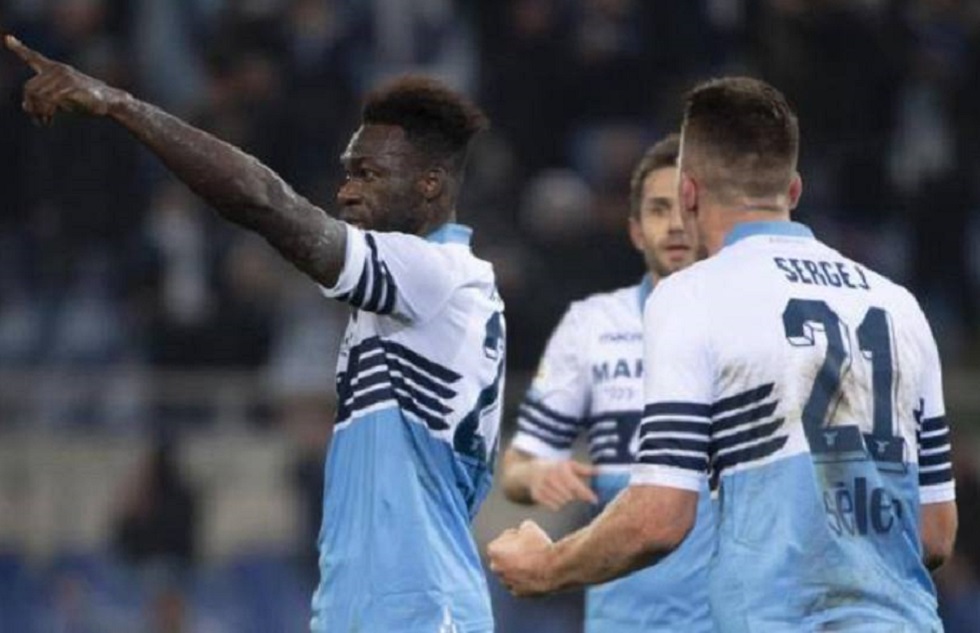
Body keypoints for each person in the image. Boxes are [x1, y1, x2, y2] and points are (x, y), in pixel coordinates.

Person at [5, 35, 505, 633]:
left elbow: (266, 204)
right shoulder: (412, 297)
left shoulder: (439, 276)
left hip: (418, 612)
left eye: (369, 174)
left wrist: (121, 105)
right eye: (348, 172)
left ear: (430, 184)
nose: (347, 191)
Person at [487, 76, 958, 632]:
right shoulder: (899, 305)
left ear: (688, 193)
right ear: (793, 190)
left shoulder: (691, 296)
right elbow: (935, 533)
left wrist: (546, 567)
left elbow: (659, 519)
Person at [499, 133, 714, 632]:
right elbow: (518, 466)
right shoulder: (591, 325)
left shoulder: (759, 325)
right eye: (658, 210)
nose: (675, 225)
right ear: (636, 230)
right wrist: (537, 476)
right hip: (622, 619)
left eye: (688, 209)